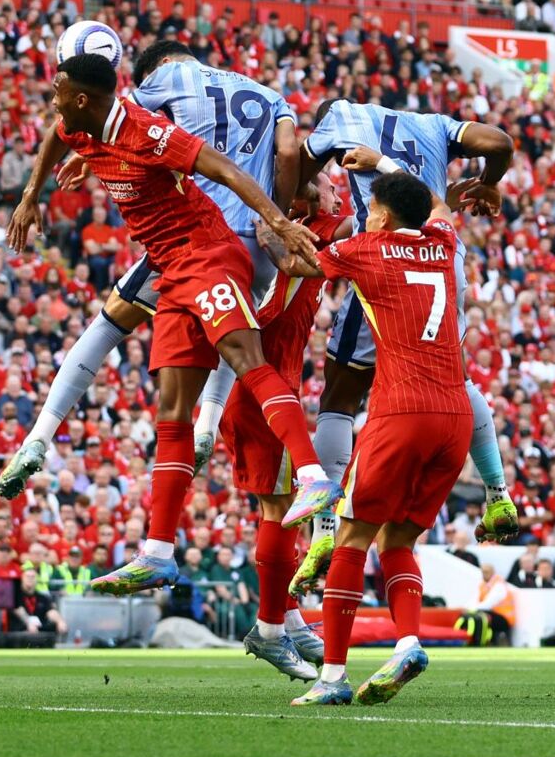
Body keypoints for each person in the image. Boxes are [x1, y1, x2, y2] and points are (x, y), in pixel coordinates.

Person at [0, 54, 341, 597]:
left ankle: (313, 478)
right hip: (170, 270)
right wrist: (29, 197)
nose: (53, 100)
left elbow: (226, 171)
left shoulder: (149, 132)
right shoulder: (79, 127)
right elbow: (54, 140)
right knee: (171, 410)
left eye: (59, 91)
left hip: (209, 253)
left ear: (82, 98)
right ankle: (157, 553)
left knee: (247, 361)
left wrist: (278, 221)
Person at [0, 39, 302, 490]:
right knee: (236, 343)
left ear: (158, 65)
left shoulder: (167, 82)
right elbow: (290, 154)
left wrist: (64, 171)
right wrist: (278, 218)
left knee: (108, 326)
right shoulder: (268, 94)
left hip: (197, 238)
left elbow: (121, 118)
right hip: (259, 243)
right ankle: (209, 427)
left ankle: (38, 437)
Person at [294, 96, 518, 581]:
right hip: (443, 260)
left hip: (382, 262)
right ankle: (498, 492)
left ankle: (324, 528)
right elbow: (499, 143)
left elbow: (292, 173)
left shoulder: (339, 119)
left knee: (339, 397)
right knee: (453, 376)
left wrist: (292, 203)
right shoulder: (433, 124)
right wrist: (487, 182)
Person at [276, 168, 474, 706]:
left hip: (401, 411)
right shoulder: (443, 242)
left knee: (350, 539)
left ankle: (332, 678)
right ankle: (408, 641)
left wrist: (272, 225)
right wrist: (385, 165)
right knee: (398, 540)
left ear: (382, 216)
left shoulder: (367, 247)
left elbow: (296, 263)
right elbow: (439, 206)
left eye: (372, 210)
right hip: (454, 416)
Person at [221, 173, 351, 680]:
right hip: (265, 390)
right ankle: (270, 628)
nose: (339, 194)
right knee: (281, 511)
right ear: (307, 196)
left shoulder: (289, 227)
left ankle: (289, 618)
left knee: (279, 509)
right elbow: (361, 221)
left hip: (265, 387)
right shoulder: (307, 227)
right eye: (330, 186)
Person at [8, 566, 67, 636]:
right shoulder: (15, 596)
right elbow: (19, 610)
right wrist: (29, 622)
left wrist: (60, 621)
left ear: (37, 579)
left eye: (33, 577)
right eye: (27, 576)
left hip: (39, 631)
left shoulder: (43, 597)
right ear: (22, 579)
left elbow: (51, 611)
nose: (30, 579)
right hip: (20, 632)